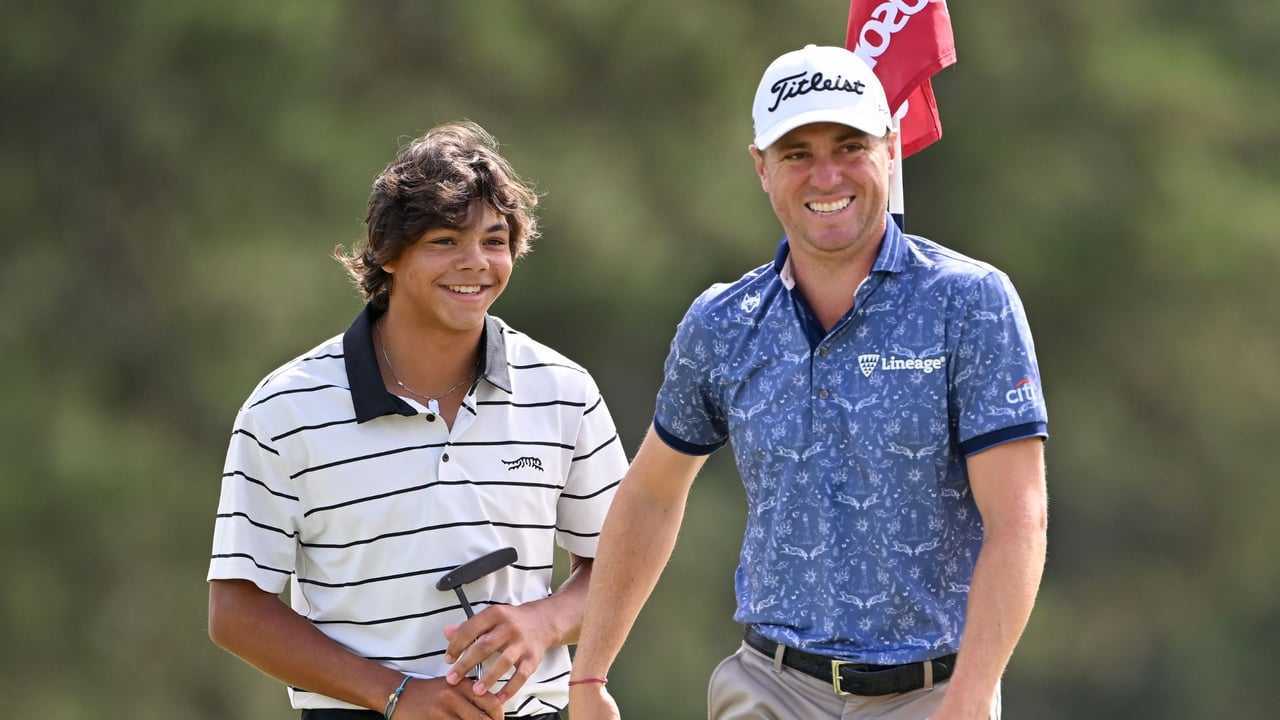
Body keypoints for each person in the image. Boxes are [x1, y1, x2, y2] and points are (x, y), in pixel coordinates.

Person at [569, 45, 1048, 720]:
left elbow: (1018, 519)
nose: (827, 175)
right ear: (761, 168)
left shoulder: (969, 303)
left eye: (849, 146)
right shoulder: (724, 321)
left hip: (934, 693)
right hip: (769, 688)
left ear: (890, 149)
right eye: (797, 154)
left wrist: (970, 697)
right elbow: (650, 493)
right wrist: (588, 675)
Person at [207, 120, 627, 720]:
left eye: (494, 240)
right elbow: (236, 611)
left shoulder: (563, 391)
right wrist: (393, 694)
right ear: (387, 253)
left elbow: (618, 567)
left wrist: (542, 622)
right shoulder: (285, 409)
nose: (475, 264)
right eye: (444, 241)